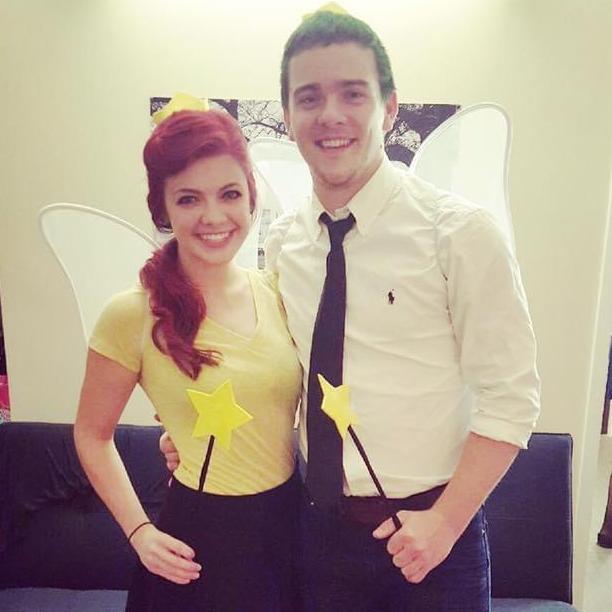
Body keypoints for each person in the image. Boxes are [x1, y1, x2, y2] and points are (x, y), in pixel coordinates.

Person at [162, 9, 540, 612]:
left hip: (432, 538)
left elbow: (512, 396)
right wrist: (190, 426)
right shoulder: (284, 243)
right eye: (309, 97)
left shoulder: (459, 235)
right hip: (315, 533)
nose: (330, 114)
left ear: (389, 108)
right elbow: (277, 371)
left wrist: (445, 522)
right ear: (287, 116)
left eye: (352, 94)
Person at [74, 108, 302, 612]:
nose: (213, 216)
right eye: (189, 198)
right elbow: (91, 434)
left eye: (229, 194)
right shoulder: (132, 314)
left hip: (287, 527)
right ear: (162, 208)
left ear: (251, 197)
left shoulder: (280, 291)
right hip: (198, 543)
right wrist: (139, 531)